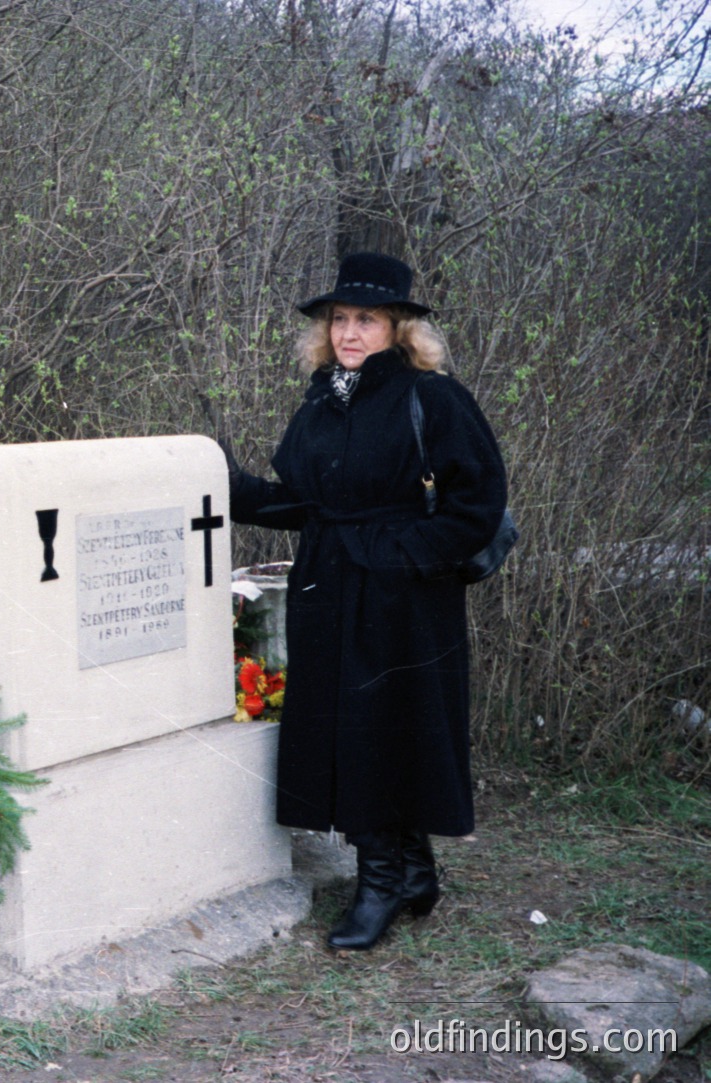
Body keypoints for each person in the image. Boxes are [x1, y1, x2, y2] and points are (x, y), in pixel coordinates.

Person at [228, 252, 509, 951]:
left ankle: (378, 880)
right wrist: (226, 484)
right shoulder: (325, 395)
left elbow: (478, 502)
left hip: (402, 596)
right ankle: (411, 872)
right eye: (340, 318)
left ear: (399, 328)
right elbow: (308, 500)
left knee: (384, 725)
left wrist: (402, 557)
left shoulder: (432, 397)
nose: (350, 332)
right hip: (328, 586)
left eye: (367, 319)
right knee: (350, 724)